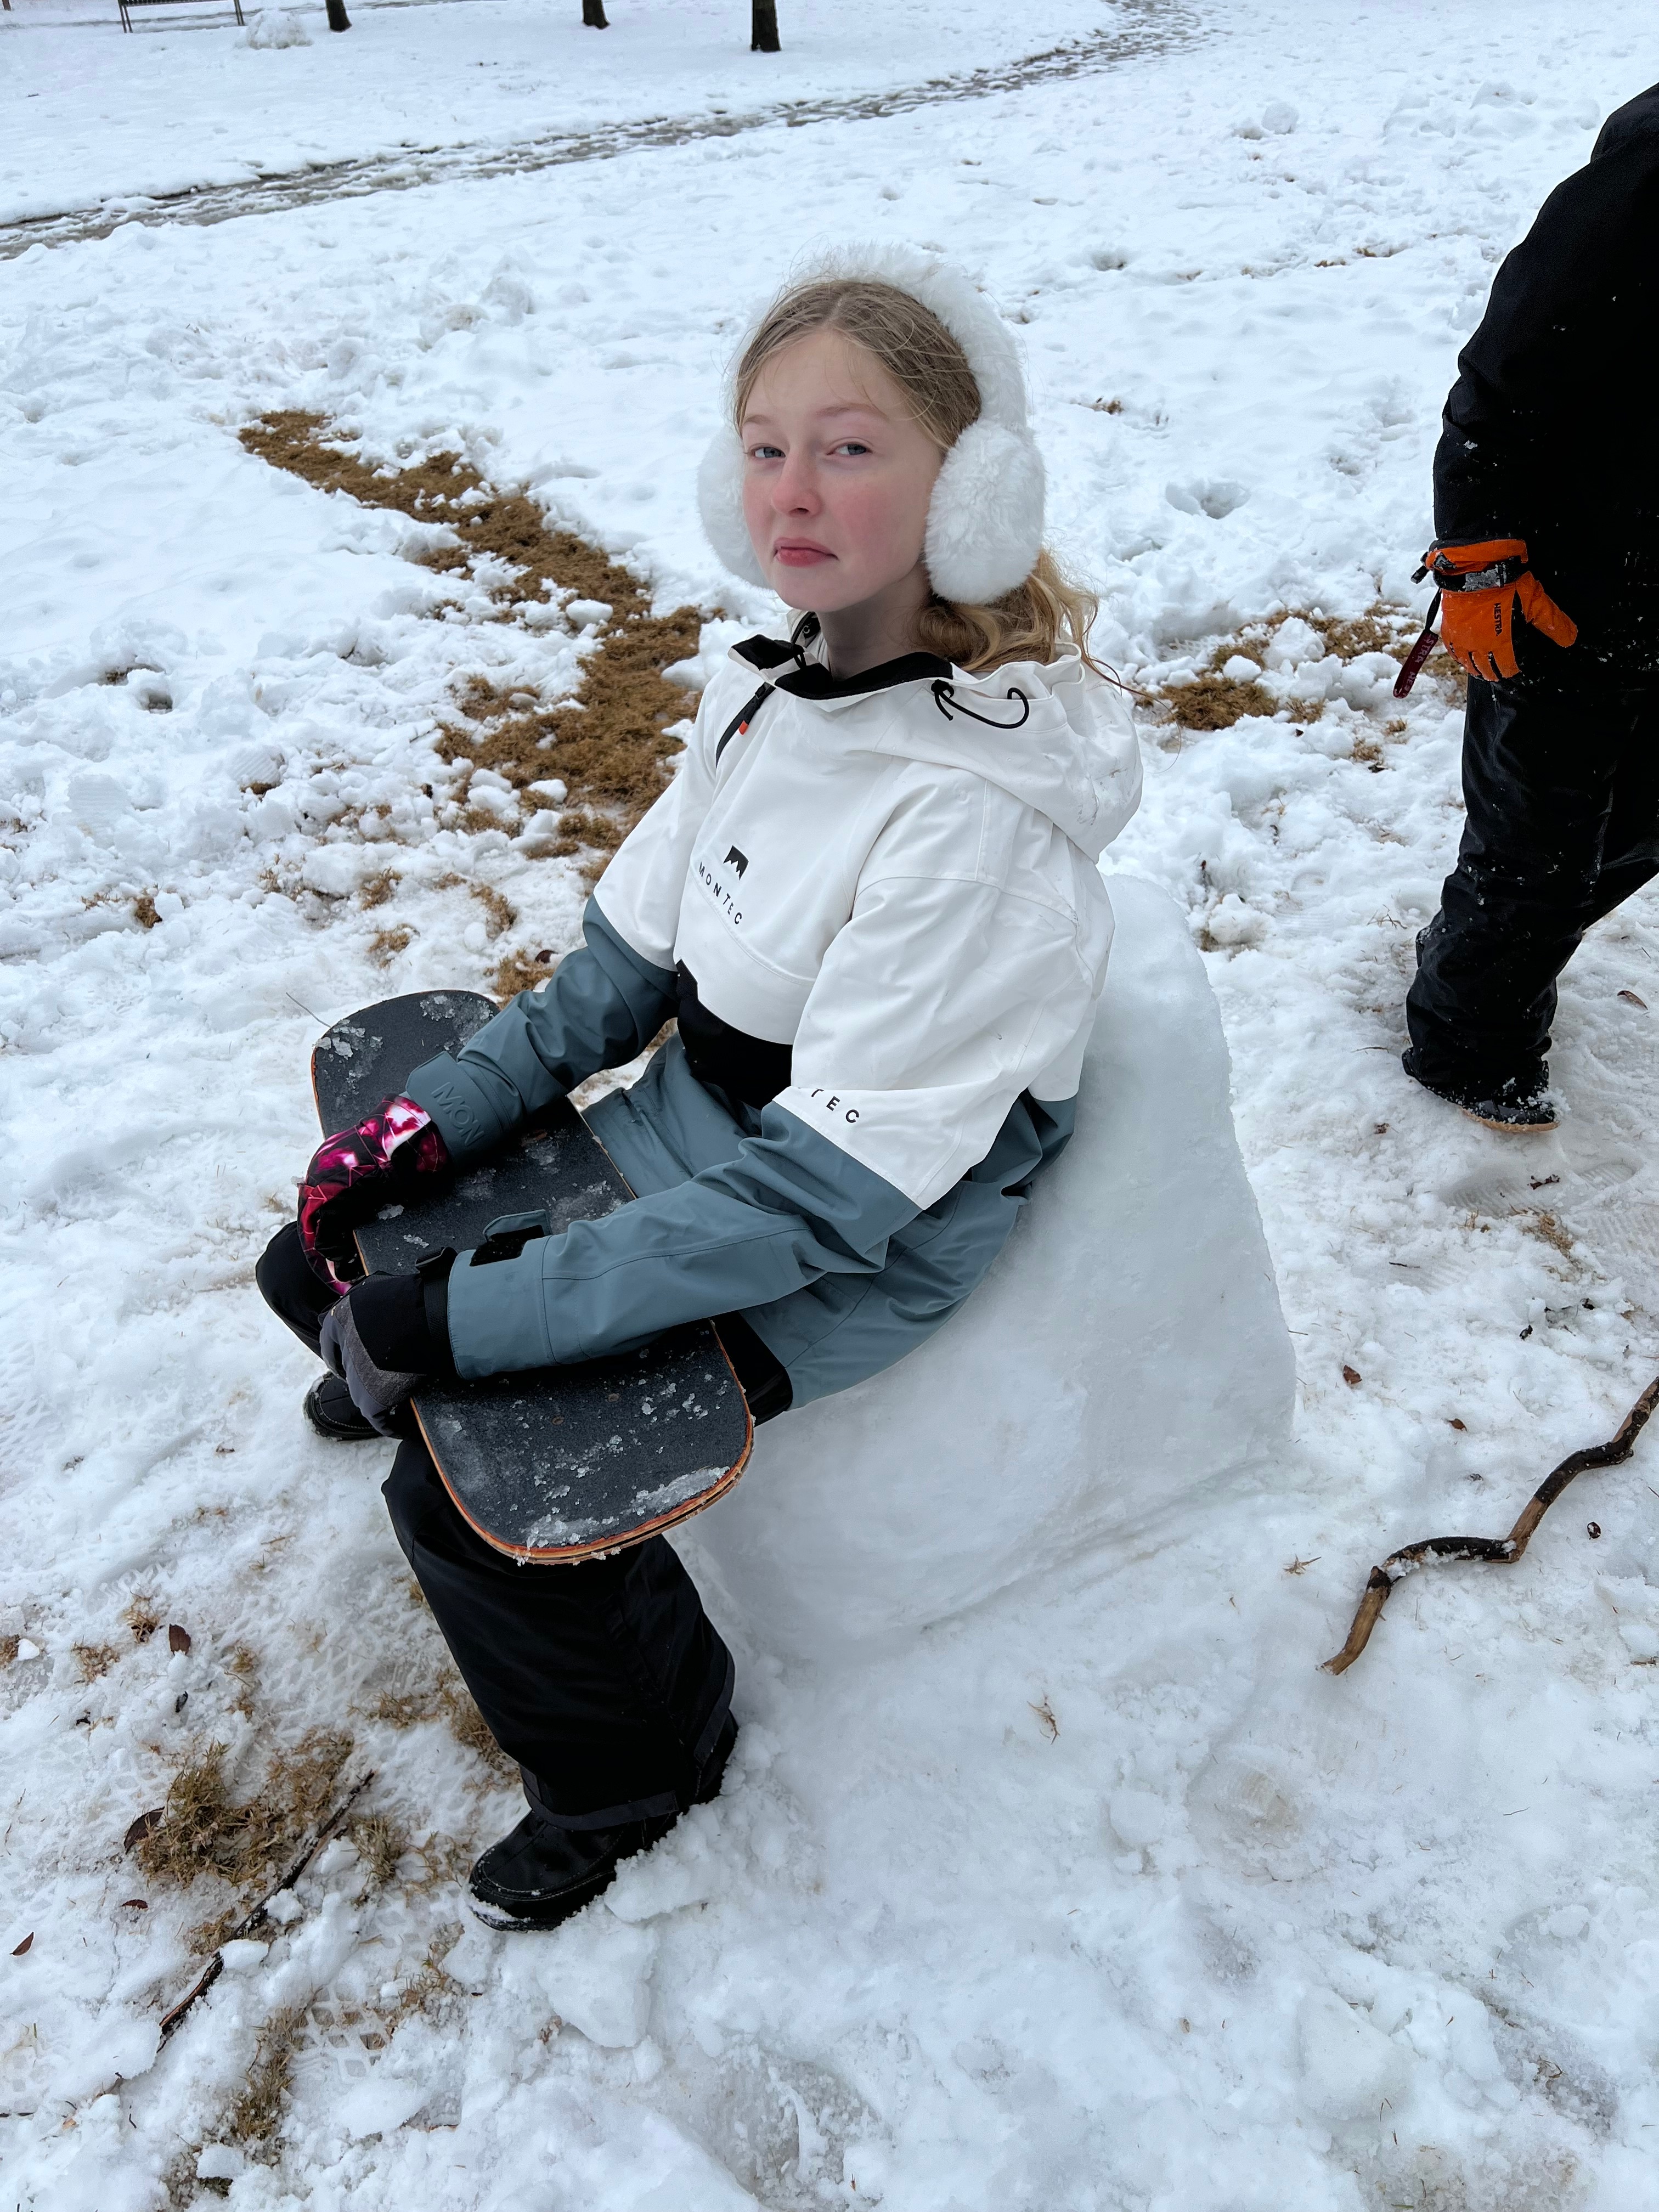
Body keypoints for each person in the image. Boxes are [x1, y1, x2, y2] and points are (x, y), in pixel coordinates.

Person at [257, 247, 1141, 1929]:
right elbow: (614, 980)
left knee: (465, 1508)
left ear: (974, 490)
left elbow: (816, 1205)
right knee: (314, 1261)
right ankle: (396, 1354)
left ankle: (638, 1769)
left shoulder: (970, 825)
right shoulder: (768, 691)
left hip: (846, 1237)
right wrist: (417, 1137)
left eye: (852, 447)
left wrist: (478, 1320)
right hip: (710, 1140)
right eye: (762, 445)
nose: (792, 490)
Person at [1402, 82, 1659, 1132]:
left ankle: (1483, 953)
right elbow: (1499, 381)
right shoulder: (1649, 172)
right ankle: (1471, 1046)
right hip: (1565, 589)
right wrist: (1475, 561)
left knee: (1640, 820)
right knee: (1536, 842)